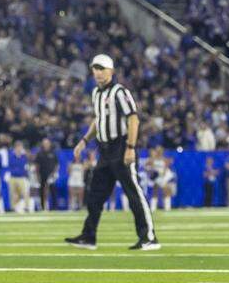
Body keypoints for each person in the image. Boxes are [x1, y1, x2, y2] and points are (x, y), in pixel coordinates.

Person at [65, 55, 159, 251]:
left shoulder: (119, 92)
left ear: (111, 71)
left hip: (121, 146)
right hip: (105, 150)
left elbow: (133, 119)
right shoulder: (96, 94)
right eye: (95, 69)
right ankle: (88, 237)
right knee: (95, 195)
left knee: (133, 193)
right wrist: (84, 140)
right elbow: (99, 121)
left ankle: (149, 237)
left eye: (102, 68)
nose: (98, 72)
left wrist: (130, 147)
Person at [34, 138, 58, 211]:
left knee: (53, 190)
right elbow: (36, 165)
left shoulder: (53, 153)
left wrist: (54, 173)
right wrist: (37, 175)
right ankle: (42, 207)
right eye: (44, 143)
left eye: (47, 143)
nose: (46, 145)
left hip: (51, 175)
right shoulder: (39, 153)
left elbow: (56, 164)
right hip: (42, 174)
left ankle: (54, 207)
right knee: (42, 191)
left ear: (49, 144)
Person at [7, 141, 30, 213]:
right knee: (12, 193)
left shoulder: (24, 156)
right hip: (13, 177)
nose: (19, 149)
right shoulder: (11, 155)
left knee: (24, 193)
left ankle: (26, 207)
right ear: (15, 148)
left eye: (20, 147)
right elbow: (11, 164)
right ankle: (12, 207)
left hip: (21, 177)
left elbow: (26, 164)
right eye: (18, 147)